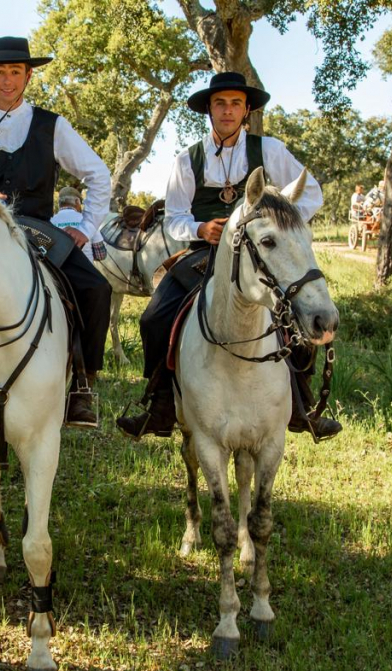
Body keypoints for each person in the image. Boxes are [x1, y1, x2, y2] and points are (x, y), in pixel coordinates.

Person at [115, 72, 342, 441]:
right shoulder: (187, 160)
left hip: (260, 256)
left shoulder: (270, 150)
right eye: (220, 103)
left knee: (301, 309)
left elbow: (310, 192)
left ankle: (301, 403)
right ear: (209, 110)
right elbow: (173, 219)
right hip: (204, 254)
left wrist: (280, 226)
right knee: (154, 317)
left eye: (236, 103)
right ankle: (158, 405)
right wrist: (201, 230)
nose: (228, 110)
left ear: (247, 109)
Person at [0, 36, 113, 428]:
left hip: (41, 231)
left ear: (28, 76)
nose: (7, 81)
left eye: (15, 72)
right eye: (0, 72)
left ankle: (82, 386)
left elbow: (98, 174)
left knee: (96, 289)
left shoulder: (52, 126)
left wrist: (87, 228)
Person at [51, 186, 106, 261]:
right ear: (77, 201)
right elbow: (101, 255)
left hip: (56, 270)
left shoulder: (50, 220)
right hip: (84, 270)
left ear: (59, 203)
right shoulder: (89, 220)